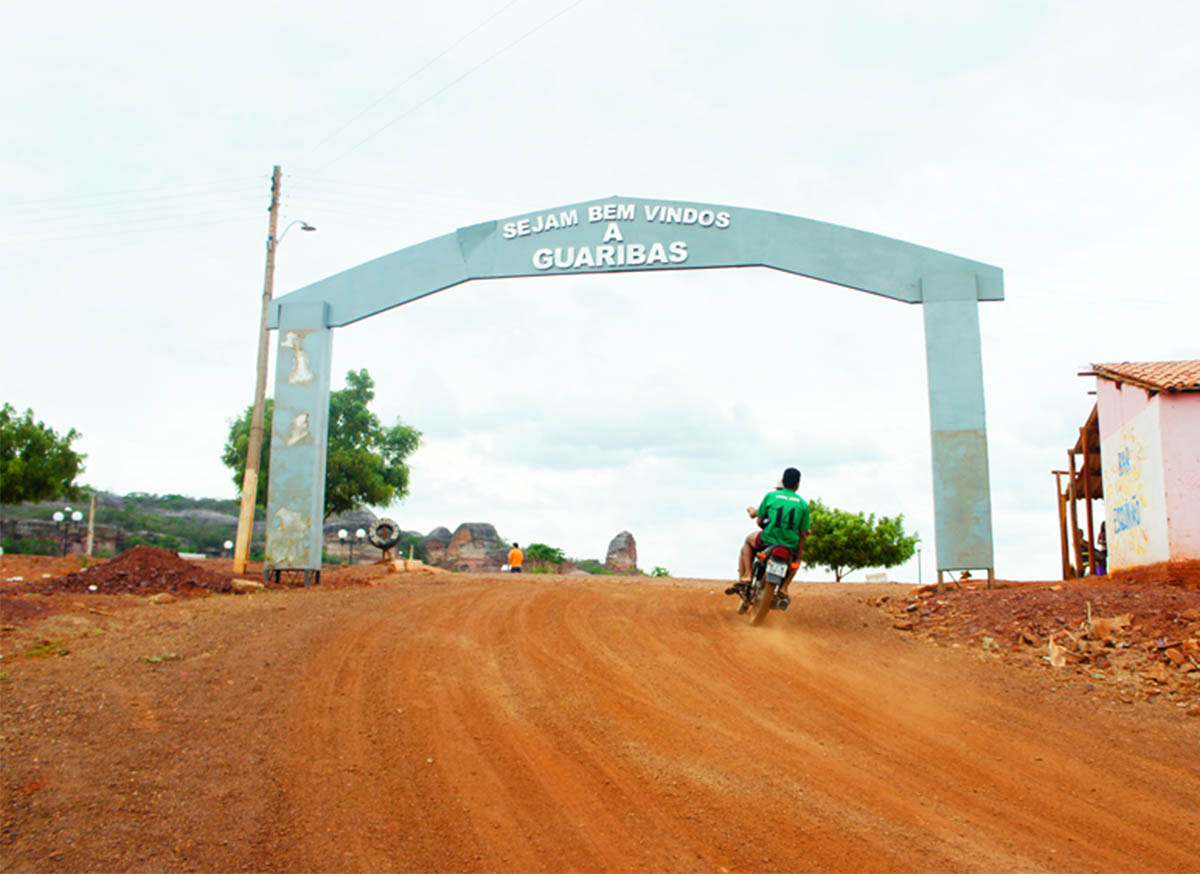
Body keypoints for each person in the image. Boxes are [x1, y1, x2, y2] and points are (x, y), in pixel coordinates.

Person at [726, 467, 811, 607]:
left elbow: (759, 520)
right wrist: (799, 555)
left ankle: (747, 575)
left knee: (748, 540)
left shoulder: (771, 496)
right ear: (798, 485)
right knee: (795, 562)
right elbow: (803, 534)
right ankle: (784, 588)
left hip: (768, 539)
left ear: (783, 482)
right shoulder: (803, 505)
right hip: (790, 544)